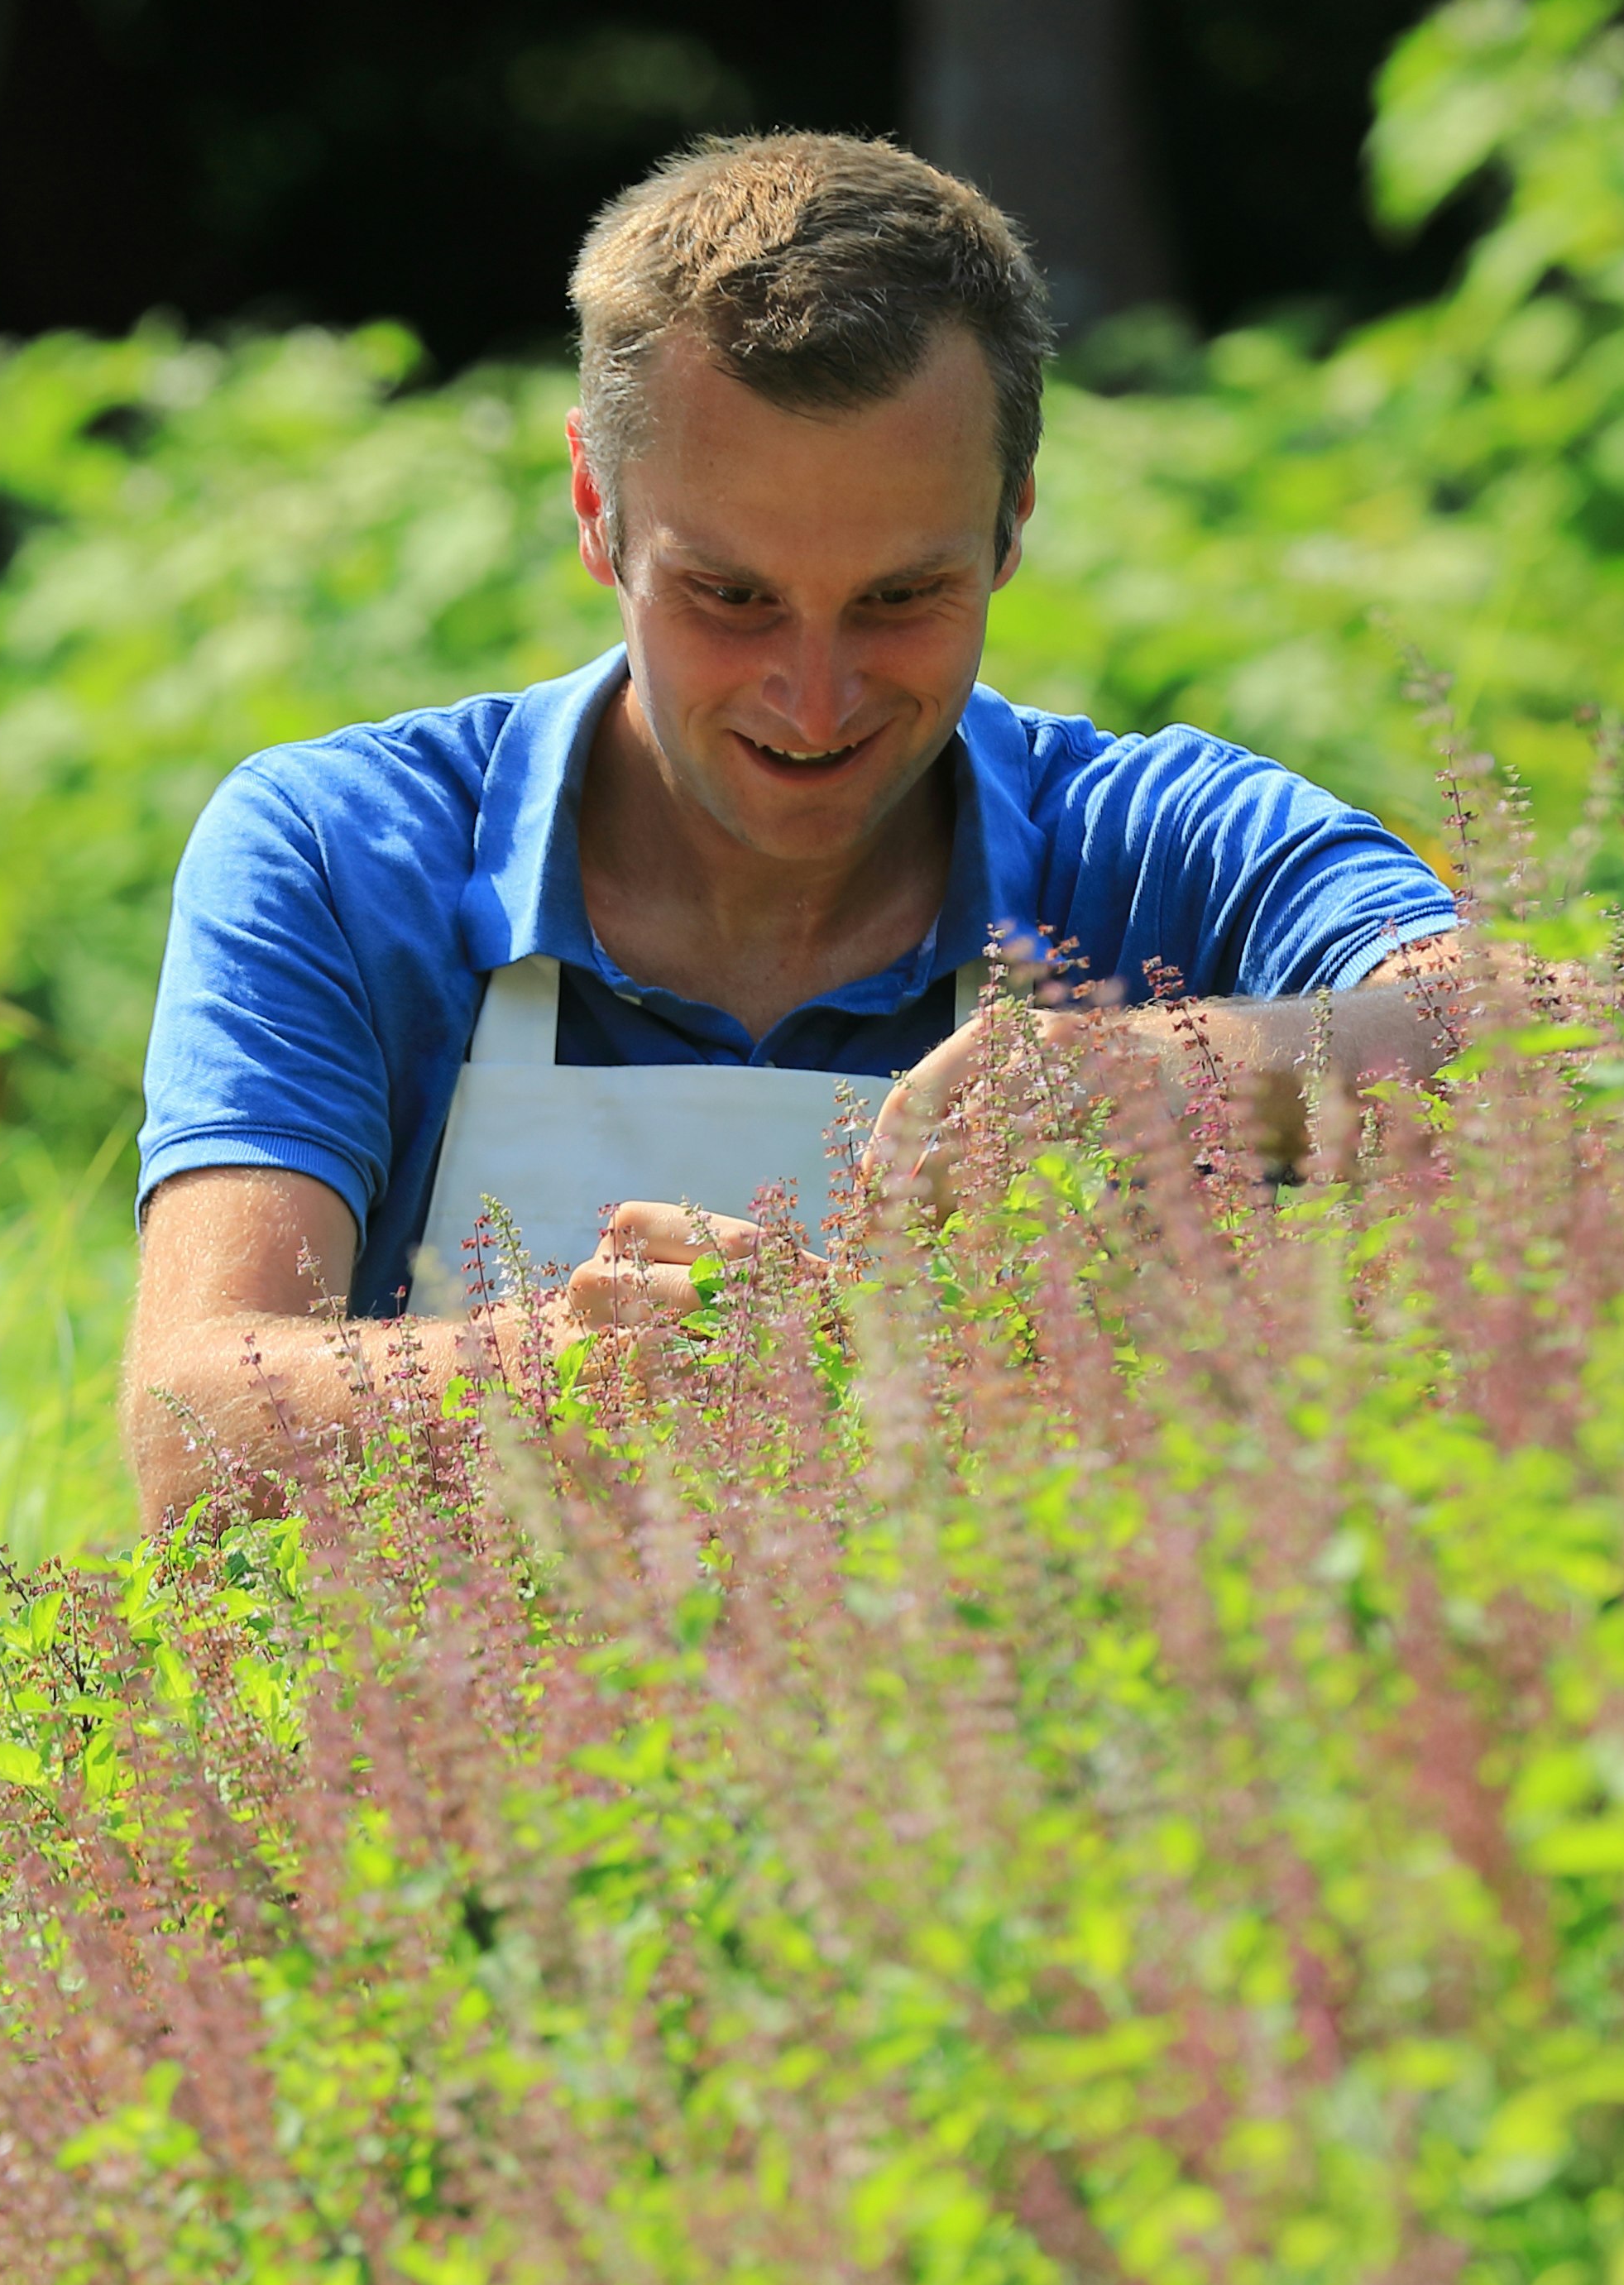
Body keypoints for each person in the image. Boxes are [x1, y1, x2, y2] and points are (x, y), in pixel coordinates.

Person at [120, 133, 1469, 1519]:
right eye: (731, 597)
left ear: (1010, 524)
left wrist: (1165, 1068)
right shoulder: (346, 851)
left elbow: (1597, 1046)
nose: (813, 699)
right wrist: (602, 1380)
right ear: (599, 510)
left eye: (899, 599)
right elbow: (192, 1430)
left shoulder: (1157, 843)